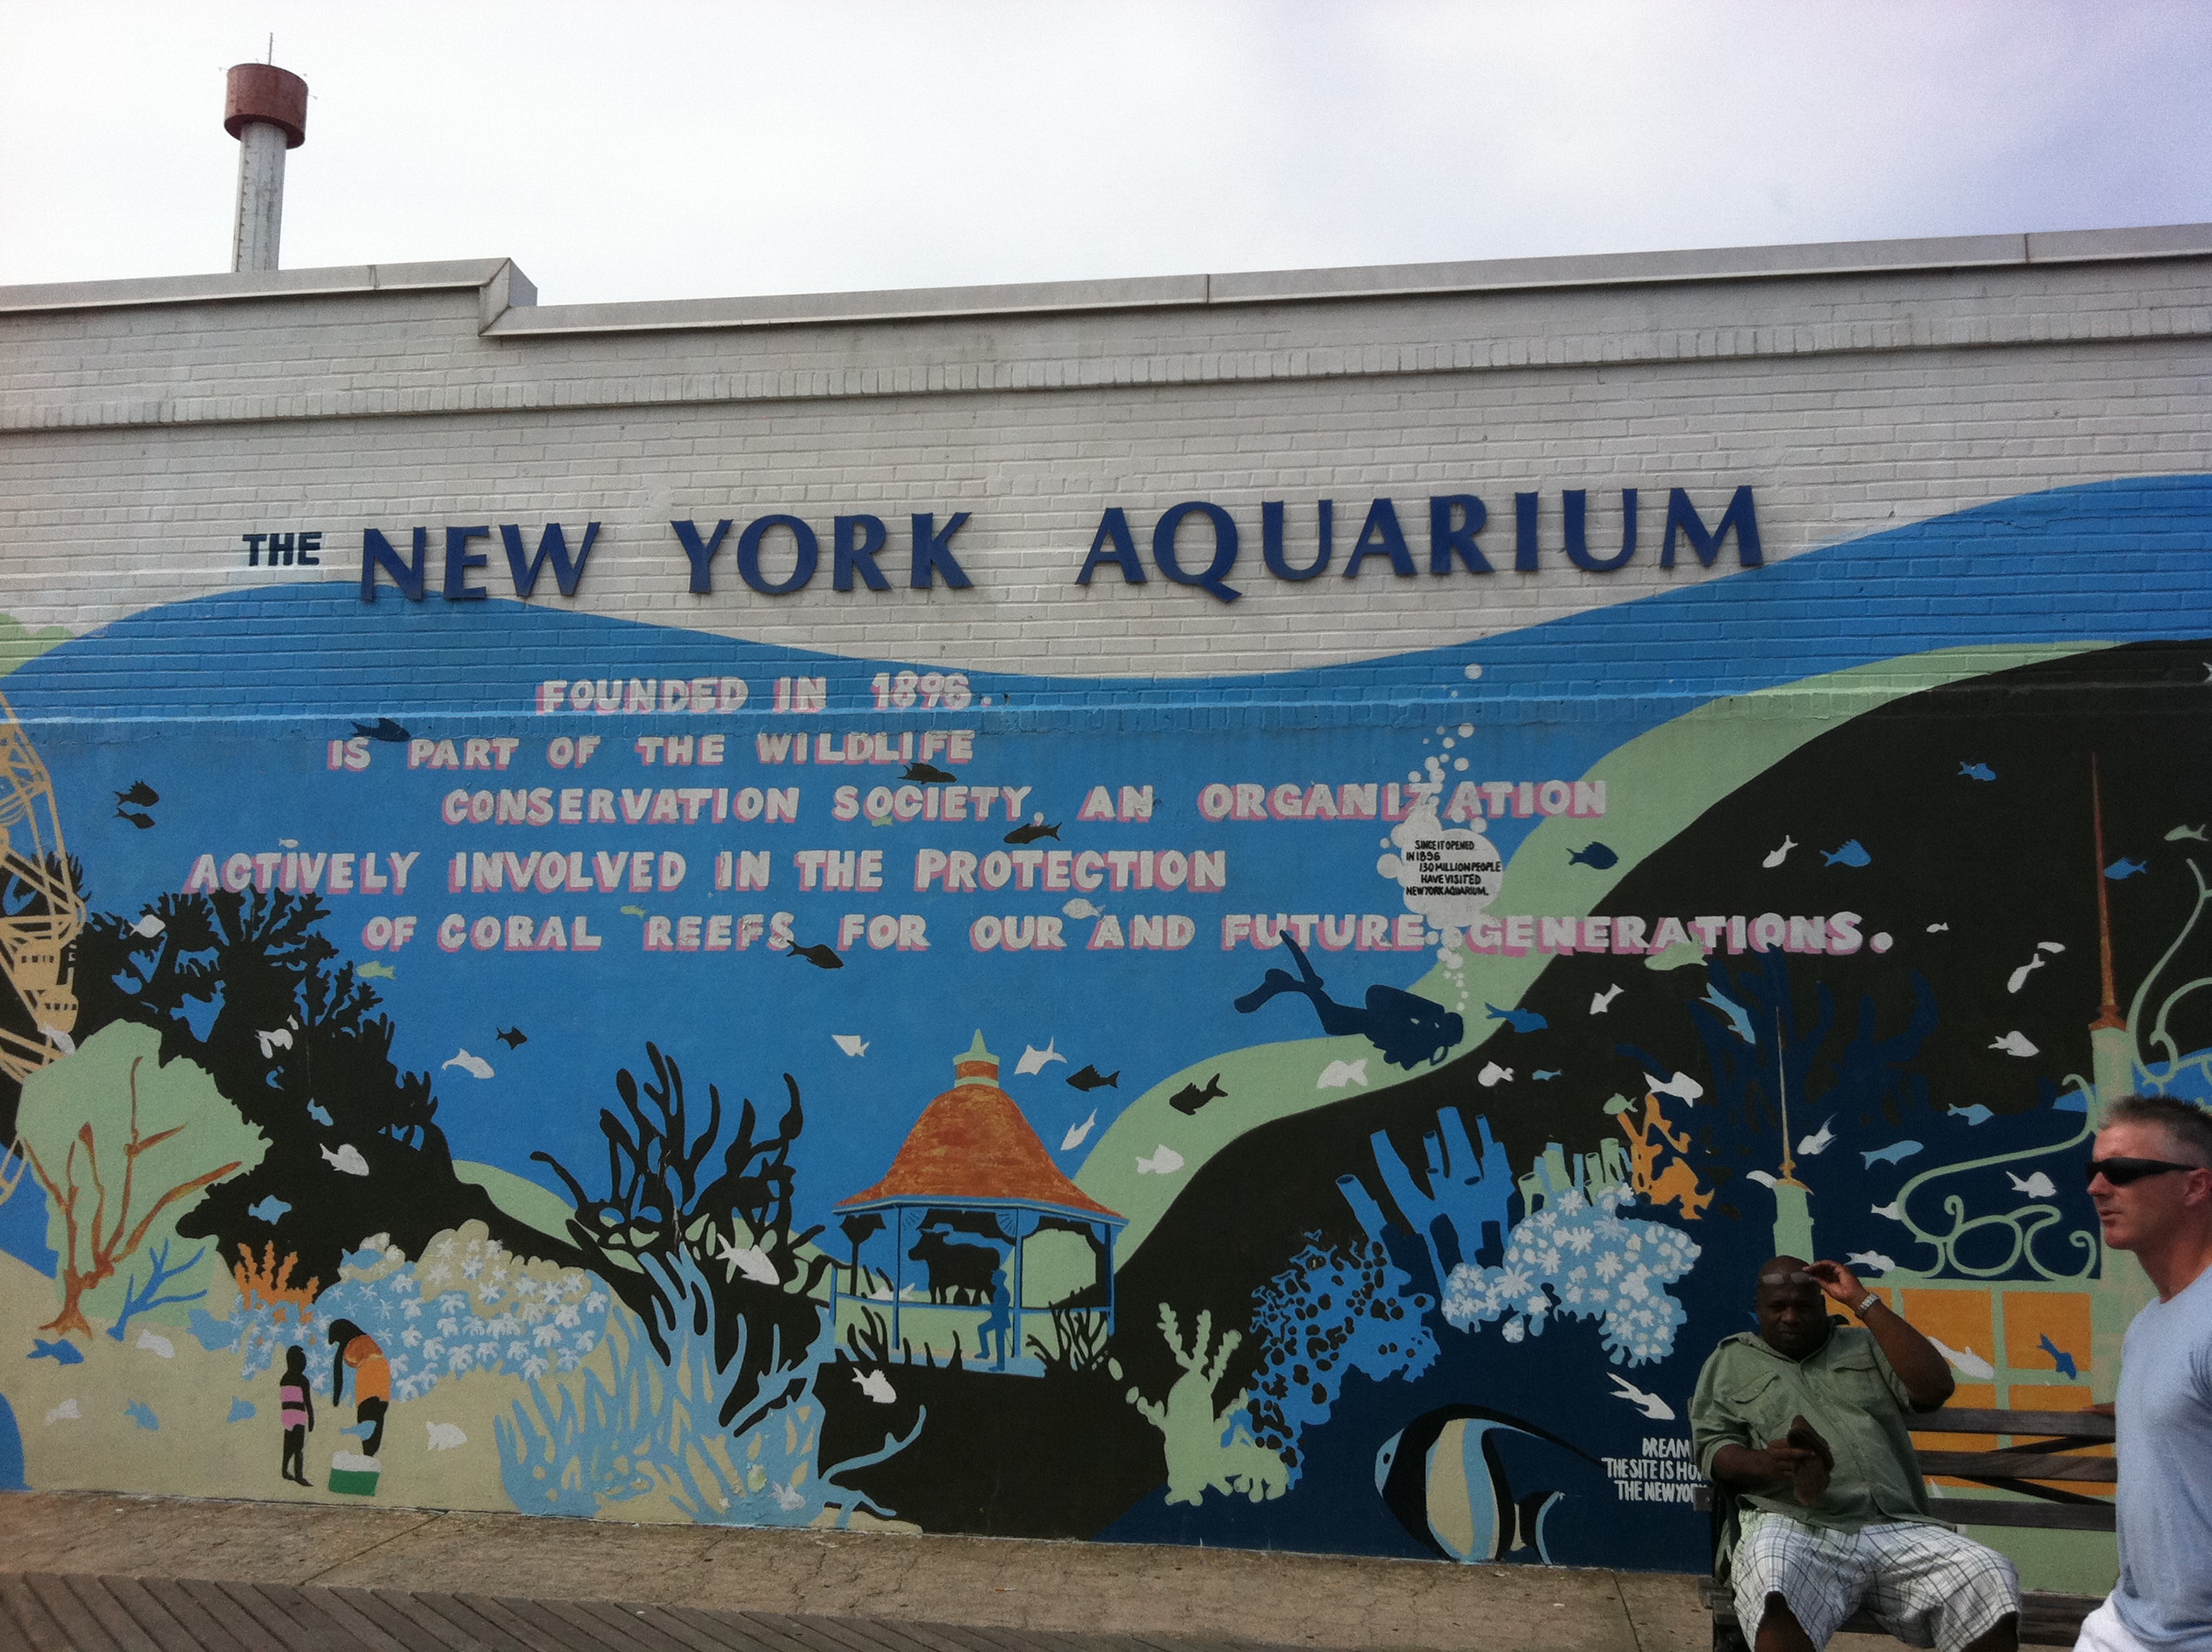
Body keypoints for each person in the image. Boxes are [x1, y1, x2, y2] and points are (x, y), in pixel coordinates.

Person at [1691, 1255, 2020, 1652]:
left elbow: (1935, 1388)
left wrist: (1862, 1301)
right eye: (1778, 1307)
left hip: (1893, 1523)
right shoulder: (1730, 1361)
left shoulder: (1864, 1344)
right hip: (1794, 1522)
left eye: (1803, 1306)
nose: (1790, 1317)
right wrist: (1765, 1463)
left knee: (1988, 1573)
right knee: (1772, 1576)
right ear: (1758, 1308)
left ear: (1823, 1305)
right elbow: (1713, 1449)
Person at [2075, 1095, 2212, 1652]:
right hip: (2128, 1623)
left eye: (2124, 1171)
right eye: (2093, 1170)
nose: (2097, 1187)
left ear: (2195, 1186)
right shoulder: (2149, 1322)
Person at [327, 1318, 390, 1457]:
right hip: (382, 1387)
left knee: (367, 1418)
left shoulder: (355, 1345)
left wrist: (336, 1398)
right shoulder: (369, 1341)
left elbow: (342, 1367)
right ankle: (370, 1454)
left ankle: (368, 1454)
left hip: (368, 1387)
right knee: (376, 1420)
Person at [276, 1343, 314, 1485]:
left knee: (288, 1445)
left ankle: (284, 1470)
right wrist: (311, 1418)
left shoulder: (284, 1379)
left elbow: (285, 1400)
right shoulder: (302, 1380)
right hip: (298, 1416)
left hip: (287, 1416)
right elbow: (307, 1401)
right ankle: (299, 1475)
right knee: (298, 1448)